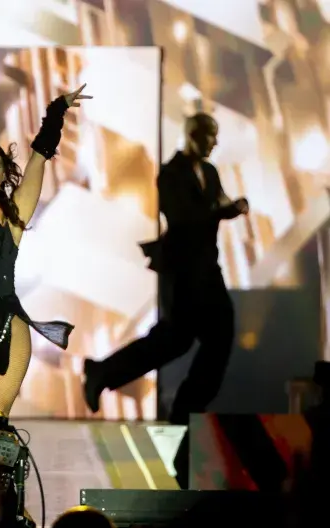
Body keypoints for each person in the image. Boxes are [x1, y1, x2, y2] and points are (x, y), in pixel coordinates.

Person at [82, 112, 248, 487]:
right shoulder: (170, 175)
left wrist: (233, 206)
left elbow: (216, 205)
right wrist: (223, 210)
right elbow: (185, 219)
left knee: (217, 335)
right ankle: (102, 373)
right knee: (174, 339)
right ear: (192, 135)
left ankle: (184, 410)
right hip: (183, 274)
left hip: (208, 271)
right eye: (209, 137)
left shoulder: (211, 173)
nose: (214, 144)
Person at [0, 86, 90, 417]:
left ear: (4, 175)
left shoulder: (13, 216)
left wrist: (56, 111)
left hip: (5, 324)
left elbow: (39, 159)